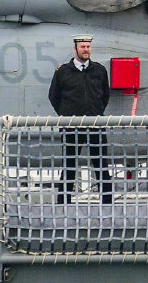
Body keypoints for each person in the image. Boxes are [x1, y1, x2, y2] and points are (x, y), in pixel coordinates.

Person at [48, 34, 111, 206]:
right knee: (68, 167)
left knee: (101, 166)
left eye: (88, 47)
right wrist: (66, 115)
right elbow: (53, 96)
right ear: (75, 48)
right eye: (83, 47)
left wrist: (96, 112)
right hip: (71, 127)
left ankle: (107, 204)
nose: (86, 50)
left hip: (95, 125)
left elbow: (105, 95)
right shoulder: (63, 72)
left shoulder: (99, 70)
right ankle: (63, 204)